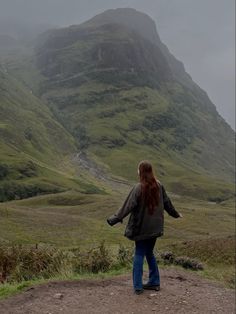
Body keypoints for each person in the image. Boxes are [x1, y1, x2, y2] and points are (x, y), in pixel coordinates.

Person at [107, 160, 182, 295]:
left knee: (139, 253)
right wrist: (176, 214)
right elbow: (167, 204)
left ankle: (137, 286)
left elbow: (127, 206)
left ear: (141, 172)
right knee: (149, 252)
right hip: (155, 228)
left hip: (141, 228)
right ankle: (154, 282)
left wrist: (114, 219)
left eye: (138, 169)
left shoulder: (138, 187)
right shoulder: (159, 186)